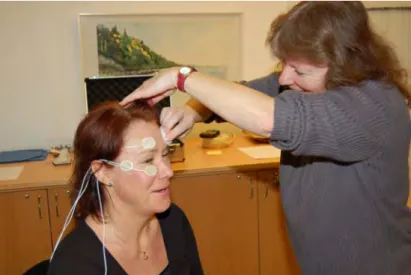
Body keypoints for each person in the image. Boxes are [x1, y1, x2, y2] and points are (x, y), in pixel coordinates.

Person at [121, 1, 411, 275]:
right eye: (284, 64)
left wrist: (181, 77)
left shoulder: (375, 107)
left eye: (298, 70)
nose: (284, 78)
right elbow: (243, 92)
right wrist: (194, 111)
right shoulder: (303, 85)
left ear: (344, 65)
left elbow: (267, 118)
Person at [48, 101, 203, 275]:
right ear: (102, 172)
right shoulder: (73, 265)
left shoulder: (173, 221)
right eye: (147, 161)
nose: (168, 171)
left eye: (165, 154)